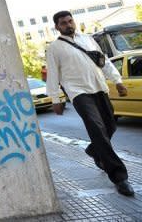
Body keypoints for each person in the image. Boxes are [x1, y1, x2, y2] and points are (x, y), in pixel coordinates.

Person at [46, 11, 134, 196]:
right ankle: (119, 177)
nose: (68, 25)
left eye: (70, 21)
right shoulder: (55, 47)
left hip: (100, 88)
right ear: (57, 27)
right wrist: (56, 99)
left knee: (110, 126)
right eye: (64, 23)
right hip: (79, 93)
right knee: (97, 128)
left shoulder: (88, 39)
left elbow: (104, 62)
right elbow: (52, 74)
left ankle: (94, 150)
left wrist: (117, 81)